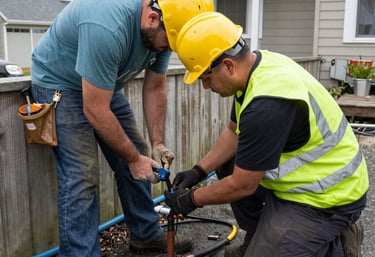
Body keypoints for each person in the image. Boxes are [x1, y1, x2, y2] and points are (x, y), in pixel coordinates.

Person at [164, 12, 369, 257]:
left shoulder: (267, 103)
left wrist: (191, 199)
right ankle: (262, 236)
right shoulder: (257, 67)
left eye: (206, 77)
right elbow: (234, 133)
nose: (205, 86)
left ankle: (335, 244)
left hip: (327, 198)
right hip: (302, 185)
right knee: (228, 163)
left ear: (228, 65)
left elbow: (243, 185)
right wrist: (198, 171)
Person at [30, 0, 214, 256]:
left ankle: (145, 235)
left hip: (102, 82)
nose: (167, 50)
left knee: (139, 154)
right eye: (168, 44)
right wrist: (132, 159)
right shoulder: (106, 23)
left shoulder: (167, 24)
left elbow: (155, 86)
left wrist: (157, 143)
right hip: (59, 83)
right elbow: (95, 109)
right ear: (152, 19)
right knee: (81, 175)